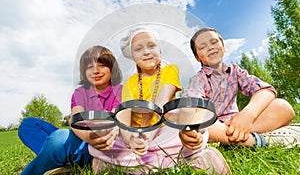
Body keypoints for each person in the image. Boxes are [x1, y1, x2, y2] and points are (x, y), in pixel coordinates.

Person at [90, 26, 231, 174]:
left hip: (166, 129)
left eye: (151, 45)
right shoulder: (130, 83)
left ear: (160, 50)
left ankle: (129, 165)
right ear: (132, 55)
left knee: (188, 121)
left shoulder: (170, 70)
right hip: (139, 132)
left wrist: (149, 135)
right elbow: (125, 116)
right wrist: (131, 139)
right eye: (138, 49)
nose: (146, 52)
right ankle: (178, 160)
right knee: (106, 134)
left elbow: (162, 103)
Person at [182, 27, 299, 148]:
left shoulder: (235, 71)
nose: (210, 47)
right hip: (216, 126)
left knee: (283, 107)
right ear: (197, 57)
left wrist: (247, 116)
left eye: (214, 42)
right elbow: (191, 103)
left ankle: (233, 140)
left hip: (239, 123)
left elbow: (265, 91)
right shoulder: (199, 79)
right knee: (201, 123)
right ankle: (254, 141)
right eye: (202, 47)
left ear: (223, 46)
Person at [18, 45, 123, 174]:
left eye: (102, 65)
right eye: (90, 67)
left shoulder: (119, 90)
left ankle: (59, 158)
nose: (95, 71)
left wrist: (93, 138)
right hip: (83, 136)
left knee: (59, 139)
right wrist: (87, 135)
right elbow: (75, 119)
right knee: (28, 125)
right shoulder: (80, 92)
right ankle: (63, 160)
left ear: (112, 68)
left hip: (97, 146)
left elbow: (113, 122)